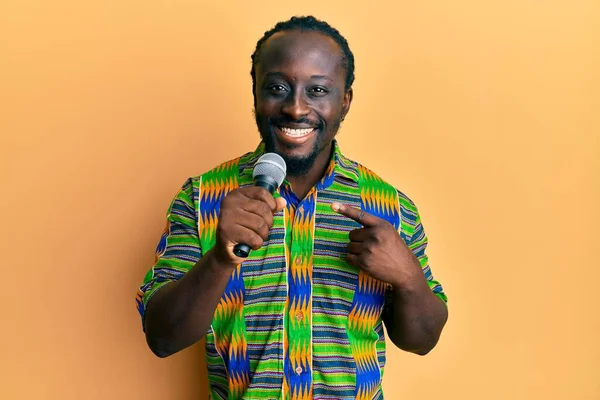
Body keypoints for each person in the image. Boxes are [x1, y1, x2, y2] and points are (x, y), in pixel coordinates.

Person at [136, 15, 448, 400]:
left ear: (345, 100)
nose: (296, 109)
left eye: (318, 90)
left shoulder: (390, 207)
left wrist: (409, 280)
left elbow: (422, 341)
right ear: (255, 92)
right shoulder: (201, 198)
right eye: (278, 87)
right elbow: (162, 338)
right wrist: (219, 259)